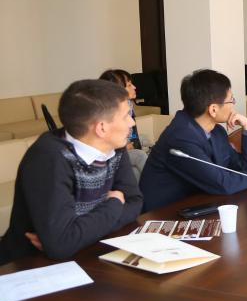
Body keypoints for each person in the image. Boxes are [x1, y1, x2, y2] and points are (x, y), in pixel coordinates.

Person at [0, 79, 143, 264]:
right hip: (27, 265)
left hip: (84, 253)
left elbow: (135, 203)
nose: (131, 122)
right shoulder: (49, 158)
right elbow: (61, 245)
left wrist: (77, 235)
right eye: (125, 116)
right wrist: (114, 204)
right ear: (101, 127)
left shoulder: (114, 146)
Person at [139, 69, 247, 211]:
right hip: (163, 214)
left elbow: (243, 167)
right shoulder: (180, 137)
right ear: (213, 109)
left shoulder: (216, 131)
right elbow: (221, 183)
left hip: (198, 204)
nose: (233, 105)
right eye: (231, 100)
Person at [99, 69, 147, 179]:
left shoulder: (128, 104)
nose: (134, 87)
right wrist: (123, 146)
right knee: (140, 156)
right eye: (129, 85)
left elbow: (131, 132)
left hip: (124, 147)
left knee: (135, 172)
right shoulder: (106, 111)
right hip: (109, 155)